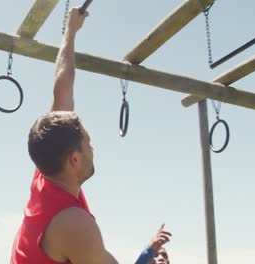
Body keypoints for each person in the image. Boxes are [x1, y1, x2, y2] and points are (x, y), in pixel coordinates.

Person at [10, 7, 171, 264]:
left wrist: (70, 32)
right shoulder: (73, 224)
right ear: (74, 159)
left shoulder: (46, 170)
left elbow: (63, 83)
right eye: (89, 144)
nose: (94, 150)